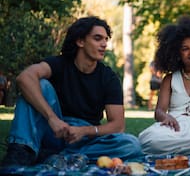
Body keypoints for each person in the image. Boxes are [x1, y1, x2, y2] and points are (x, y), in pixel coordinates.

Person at [1, 16, 142, 167]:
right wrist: (52, 118)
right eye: (97, 38)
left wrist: (84, 130)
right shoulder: (59, 64)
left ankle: (53, 156)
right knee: (39, 85)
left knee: (130, 144)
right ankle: (21, 151)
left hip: (86, 138)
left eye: (105, 40)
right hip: (53, 131)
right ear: (80, 41)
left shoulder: (109, 78)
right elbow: (24, 78)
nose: (104, 44)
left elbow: (118, 125)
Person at [138, 16, 190, 155]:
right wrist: (166, 118)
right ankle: (189, 151)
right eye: (185, 48)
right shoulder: (169, 79)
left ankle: (176, 151)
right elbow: (159, 111)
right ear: (177, 53)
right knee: (146, 139)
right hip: (171, 129)